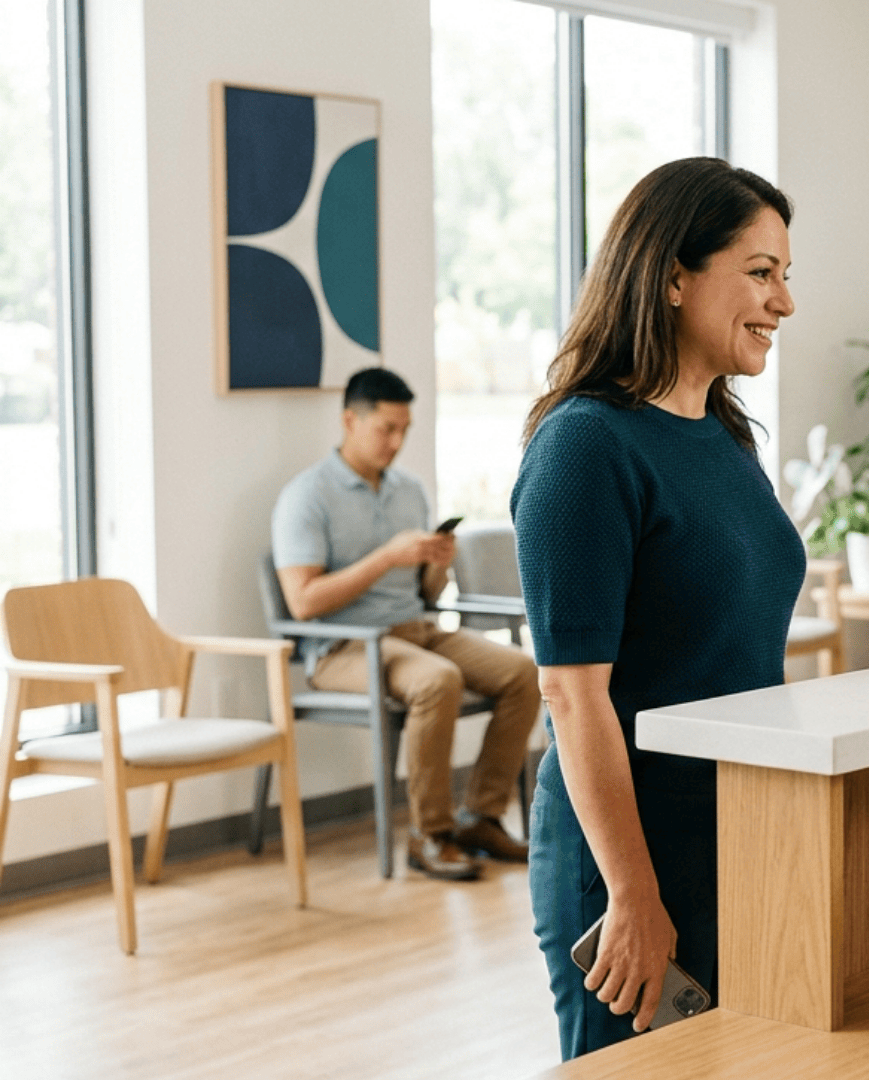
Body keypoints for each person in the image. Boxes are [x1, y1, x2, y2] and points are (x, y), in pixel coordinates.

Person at [511, 157, 803, 1059]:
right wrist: (633, 894)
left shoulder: (724, 433)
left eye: (786, 276)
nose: (783, 303)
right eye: (761, 272)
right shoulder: (584, 448)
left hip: (732, 830)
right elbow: (572, 696)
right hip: (628, 854)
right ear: (672, 275)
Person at [271, 367, 542, 882]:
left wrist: (436, 563)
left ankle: (480, 817)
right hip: (346, 647)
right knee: (437, 682)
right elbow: (303, 603)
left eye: (404, 430)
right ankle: (429, 835)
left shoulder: (408, 491)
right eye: (386, 429)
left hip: (416, 629)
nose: (396, 442)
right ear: (350, 420)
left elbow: (424, 594)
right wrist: (386, 557)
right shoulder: (306, 497)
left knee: (524, 674)